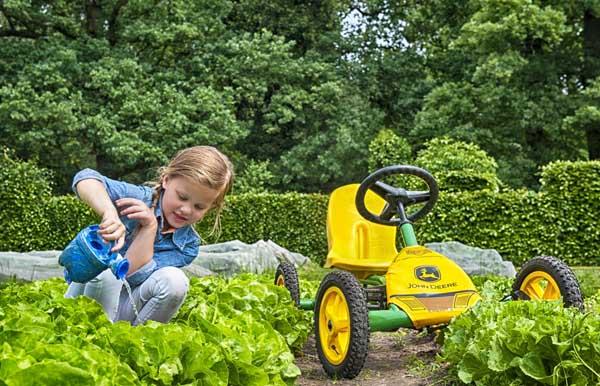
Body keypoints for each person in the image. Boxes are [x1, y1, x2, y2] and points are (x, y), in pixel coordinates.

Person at [65, 146, 234, 326]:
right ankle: (89, 333)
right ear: (166, 180)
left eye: (199, 207)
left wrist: (149, 227)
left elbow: (129, 275)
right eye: (182, 197)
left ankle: (135, 339)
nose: (186, 210)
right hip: (87, 298)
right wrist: (109, 212)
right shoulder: (138, 198)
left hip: (127, 304)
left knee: (175, 281)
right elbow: (85, 178)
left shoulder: (187, 246)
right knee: (107, 272)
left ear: (211, 207)